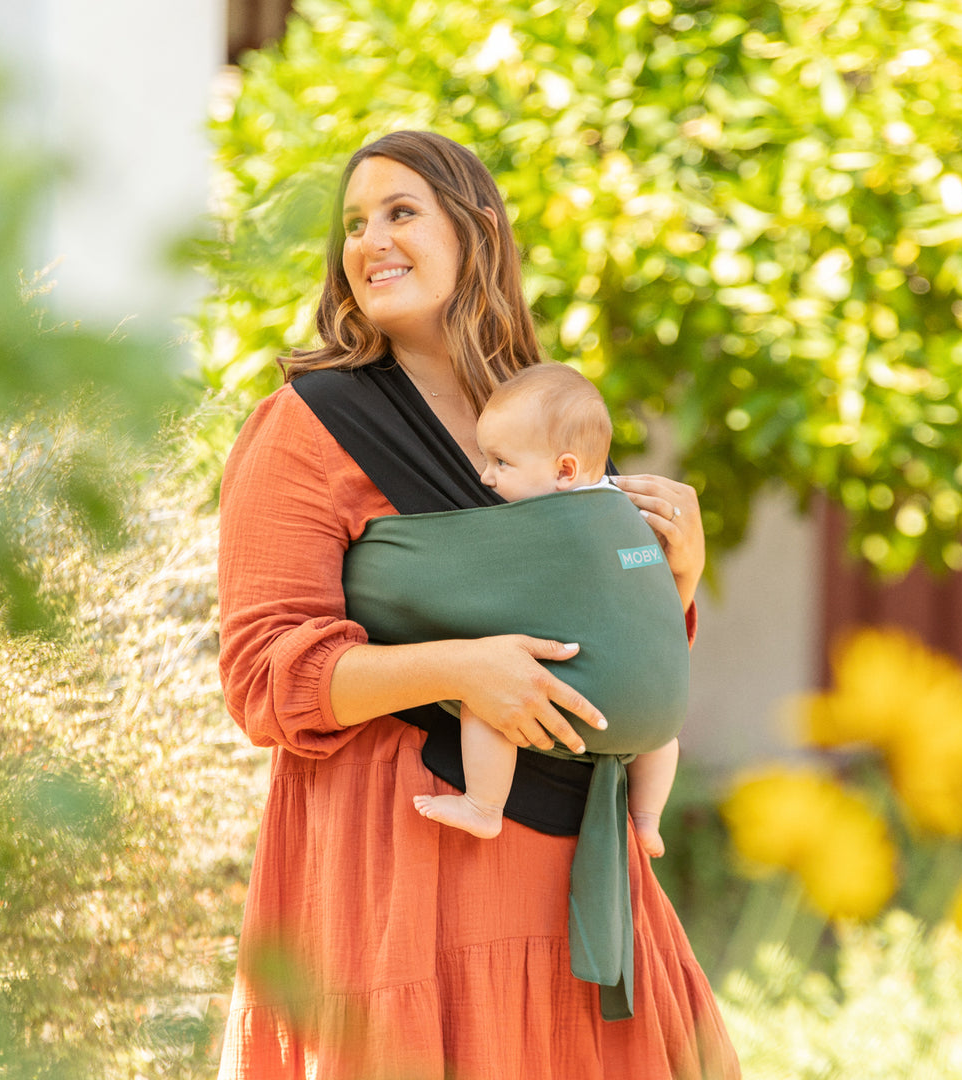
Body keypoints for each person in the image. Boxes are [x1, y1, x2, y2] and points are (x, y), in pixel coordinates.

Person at [216, 130, 740, 1079]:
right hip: (408, 868)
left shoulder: (544, 416)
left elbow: (621, 652)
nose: (369, 239)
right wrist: (463, 669)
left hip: (580, 877)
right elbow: (262, 677)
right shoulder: (309, 426)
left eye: (401, 211)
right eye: (354, 223)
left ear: (478, 232)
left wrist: (679, 578)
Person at [413, 362, 681, 854]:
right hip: (655, 714)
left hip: (582, 698)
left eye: (500, 462)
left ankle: (483, 807)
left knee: (484, 694)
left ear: (564, 471)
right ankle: (645, 820)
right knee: (662, 736)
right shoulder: (627, 514)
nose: (485, 476)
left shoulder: (542, 526)